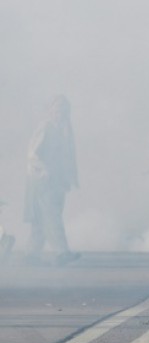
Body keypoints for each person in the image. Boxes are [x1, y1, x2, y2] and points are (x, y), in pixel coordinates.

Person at [24, 95, 80, 266]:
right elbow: (32, 154)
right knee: (52, 215)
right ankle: (62, 252)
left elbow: (69, 157)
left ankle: (31, 254)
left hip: (58, 181)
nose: (60, 113)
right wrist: (44, 169)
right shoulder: (46, 127)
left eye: (64, 110)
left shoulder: (65, 130)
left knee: (41, 218)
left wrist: (71, 178)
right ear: (50, 111)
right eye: (57, 109)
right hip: (42, 181)